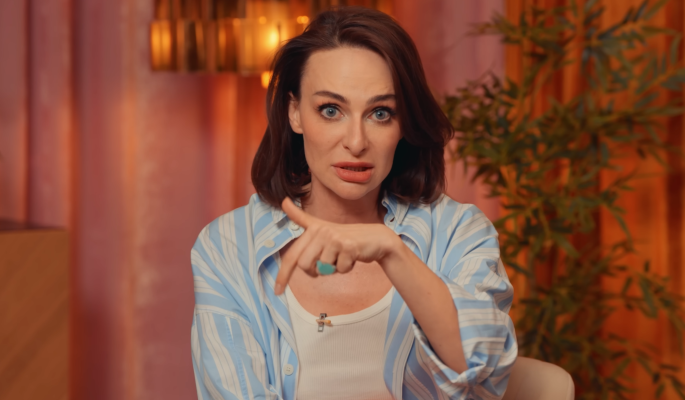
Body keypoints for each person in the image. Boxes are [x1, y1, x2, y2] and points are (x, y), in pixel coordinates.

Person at [190, 6, 517, 400]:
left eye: (381, 113)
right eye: (331, 110)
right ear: (295, 113)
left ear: (403, 124)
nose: (357, 142)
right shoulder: (228, 245)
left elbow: (482, 374)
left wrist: (393, 252)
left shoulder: (459, 232)